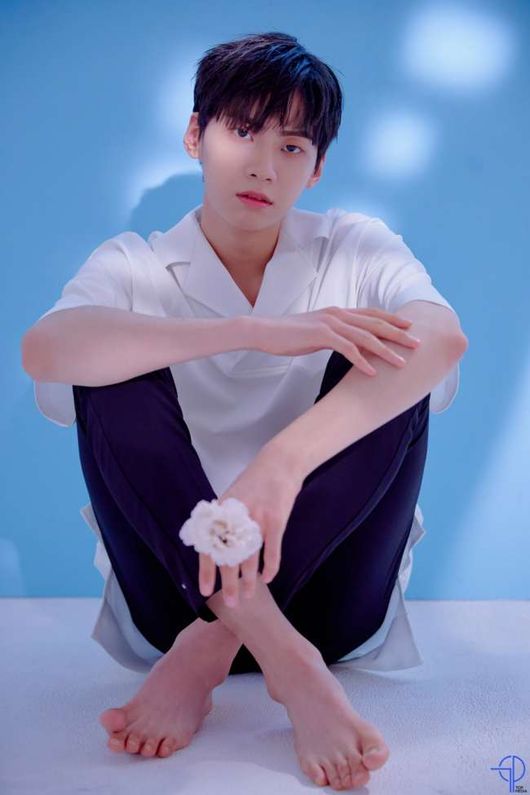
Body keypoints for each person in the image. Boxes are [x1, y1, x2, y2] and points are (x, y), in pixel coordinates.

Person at [23, 31, 468, 791]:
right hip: (170, 593)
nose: (264, 165)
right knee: (109, 357)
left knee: (391, 360)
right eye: (242, 132)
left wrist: (280, 465)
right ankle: (277, 653)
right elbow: (46, 350)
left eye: (292, 147)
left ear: (317, 169)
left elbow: (443, 338)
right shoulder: (132, 262)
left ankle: (211, 646)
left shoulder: (355, 245)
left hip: (332, 600)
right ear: (195, 135)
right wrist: (251, 330)